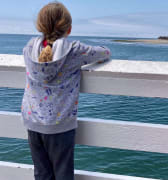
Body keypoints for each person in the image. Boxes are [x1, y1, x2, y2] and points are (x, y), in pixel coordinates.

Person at [21, 2, 111, 180]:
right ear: (68, 29)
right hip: (60, 125)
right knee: (63, 174)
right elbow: (104, 53)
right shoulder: (74, 50)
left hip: (33, 121)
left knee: (41, 173)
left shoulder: (29, 48)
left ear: (40, 26)